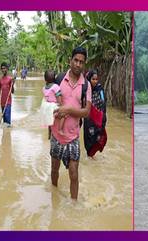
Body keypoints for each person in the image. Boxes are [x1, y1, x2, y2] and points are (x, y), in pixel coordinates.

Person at [50, 47, 92, 200]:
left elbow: (86, 112)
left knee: (74, 174)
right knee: (54, 169)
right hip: (56, 135)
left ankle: (74, 204)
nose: (78, 64)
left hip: (73, 136)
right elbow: (49, 102)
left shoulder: (86, 86)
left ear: (84, 64)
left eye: (81, 62)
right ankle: (53, 197)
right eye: (76, 60)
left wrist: (68, 109)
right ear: (70, 60)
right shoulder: (59, 79)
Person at [83, 70, 108, 157]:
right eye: (93, 79)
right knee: (88, 138)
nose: (95, 81)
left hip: (98, 119)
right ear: (89, 79)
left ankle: (92, 156)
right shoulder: (85, 89)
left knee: (98, 137)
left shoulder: (100, 89)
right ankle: (89, 155)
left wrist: (104, 118)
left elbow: (103, 103)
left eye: (96, 79)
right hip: (88, 119)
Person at [39, 70, 66, 139]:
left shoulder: (44, 88)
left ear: (45, 79)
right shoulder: (55, 87)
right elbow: (58, 98)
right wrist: (61, 105)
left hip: (47, 106)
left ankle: (50, 132)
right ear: (55, 78)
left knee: (49, 120)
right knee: (64, 115)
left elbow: (46, 97)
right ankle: (60, 129)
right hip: (54, 106)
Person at [0, 62, 15, 127]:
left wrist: (13, 84)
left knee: (7, 120)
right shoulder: (0, 80)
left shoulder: (10, 79)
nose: (3, 70)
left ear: (7, 69)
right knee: (4, 121)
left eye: (4, 68)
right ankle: (5, 135)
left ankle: (8, 134)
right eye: (2, 68)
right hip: (2, 103)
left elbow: (12, 92)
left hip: (8, 102)